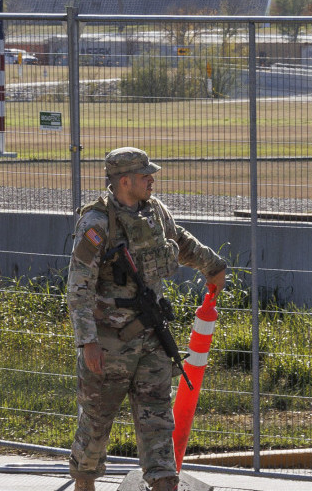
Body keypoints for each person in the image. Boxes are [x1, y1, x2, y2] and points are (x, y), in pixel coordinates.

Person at [67, 147, 228, 491]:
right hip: (110, 345)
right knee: (96, 423)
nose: (151, 180)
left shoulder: (155, 212)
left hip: (152, 338)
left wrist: (213, 266)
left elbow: (180, 242)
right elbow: (78, 288)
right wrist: (88, 342)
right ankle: (85, 482)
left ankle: (163, 481)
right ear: (124, 181)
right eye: (145, 176)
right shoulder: (96, 224)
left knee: (157, 419)